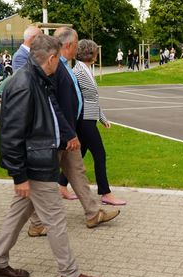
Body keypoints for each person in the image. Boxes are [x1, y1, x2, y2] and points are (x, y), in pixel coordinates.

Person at [0, 34, 106, 277]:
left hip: (39, 159)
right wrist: (19, 176)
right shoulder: (25, 84)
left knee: (17, 215)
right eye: (57, 60)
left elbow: (52, 112)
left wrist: (66, 134)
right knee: (56, 219)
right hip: (35, 164)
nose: (58, 64)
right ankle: (70, 276)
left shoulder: (39, 79)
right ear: (50, 58)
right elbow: (10, 134)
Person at [27, 27, 120, 237]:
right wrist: (69, 133)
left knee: (77, 172)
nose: (78, 48)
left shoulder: (64, 66)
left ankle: (93, 212)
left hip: (69, 131)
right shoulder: (54, 67)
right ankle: (36, 222)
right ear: (69, 45)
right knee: (45, 179)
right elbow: (55, 104)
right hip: (60, 134)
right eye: (77, 43)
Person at [67, 39, 126, 205]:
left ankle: (61, 184)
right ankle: (105, 193)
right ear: (91, 53)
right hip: (85, 120)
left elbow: (92, 98)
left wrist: (102, 118)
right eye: (95, 51)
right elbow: (81, 99)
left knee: (79, 154)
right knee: (99, 154)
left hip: (90, 119)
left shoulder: (84, 69)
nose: (97, 54)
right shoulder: (78, 71)